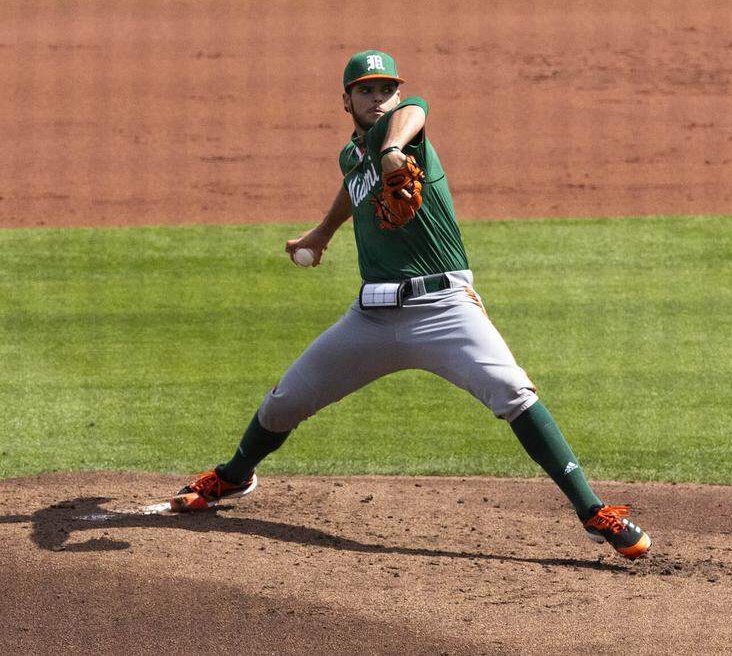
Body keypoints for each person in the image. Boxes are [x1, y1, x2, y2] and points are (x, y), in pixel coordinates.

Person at [170, 50, 651, 559]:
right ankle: (234, 477)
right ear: (346, 101)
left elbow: (416, 109)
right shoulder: (353, 155)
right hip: (371, 318)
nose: (378, 99)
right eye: (365, 91)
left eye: (385, 90)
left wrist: (395, 149)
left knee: (512, 391)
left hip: (445, 309)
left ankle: (593, 512)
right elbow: (352, 186)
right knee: (286, 400)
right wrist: (324, 231)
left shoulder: (402, 130)